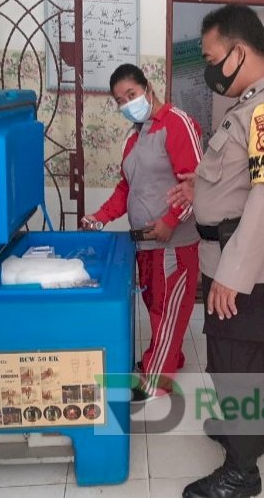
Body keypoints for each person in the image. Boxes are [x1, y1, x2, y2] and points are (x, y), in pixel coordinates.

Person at [167, 5, 264, 498]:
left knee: (237, 363)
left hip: (243, 262)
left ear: (238, 52)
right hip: (230, 254)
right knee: (240, 354)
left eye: (212, 58)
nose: (210, 69)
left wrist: (233, 275)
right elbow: (239, 179)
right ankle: (242, 432)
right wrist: (200, 188)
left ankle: (242, 472)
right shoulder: (251, 105)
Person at [82, 64, 202, 403]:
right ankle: (169, 357)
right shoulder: (134, 136)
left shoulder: (176, 123)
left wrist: (171, 220)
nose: (126, 104)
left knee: (167, 310)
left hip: (173, 242)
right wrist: (100, 217)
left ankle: (156, 379)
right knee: (155, 306)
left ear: (148, 88)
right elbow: (127, 188)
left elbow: (197, 184)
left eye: (130, 95)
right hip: (144, 242)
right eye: (119, 100)